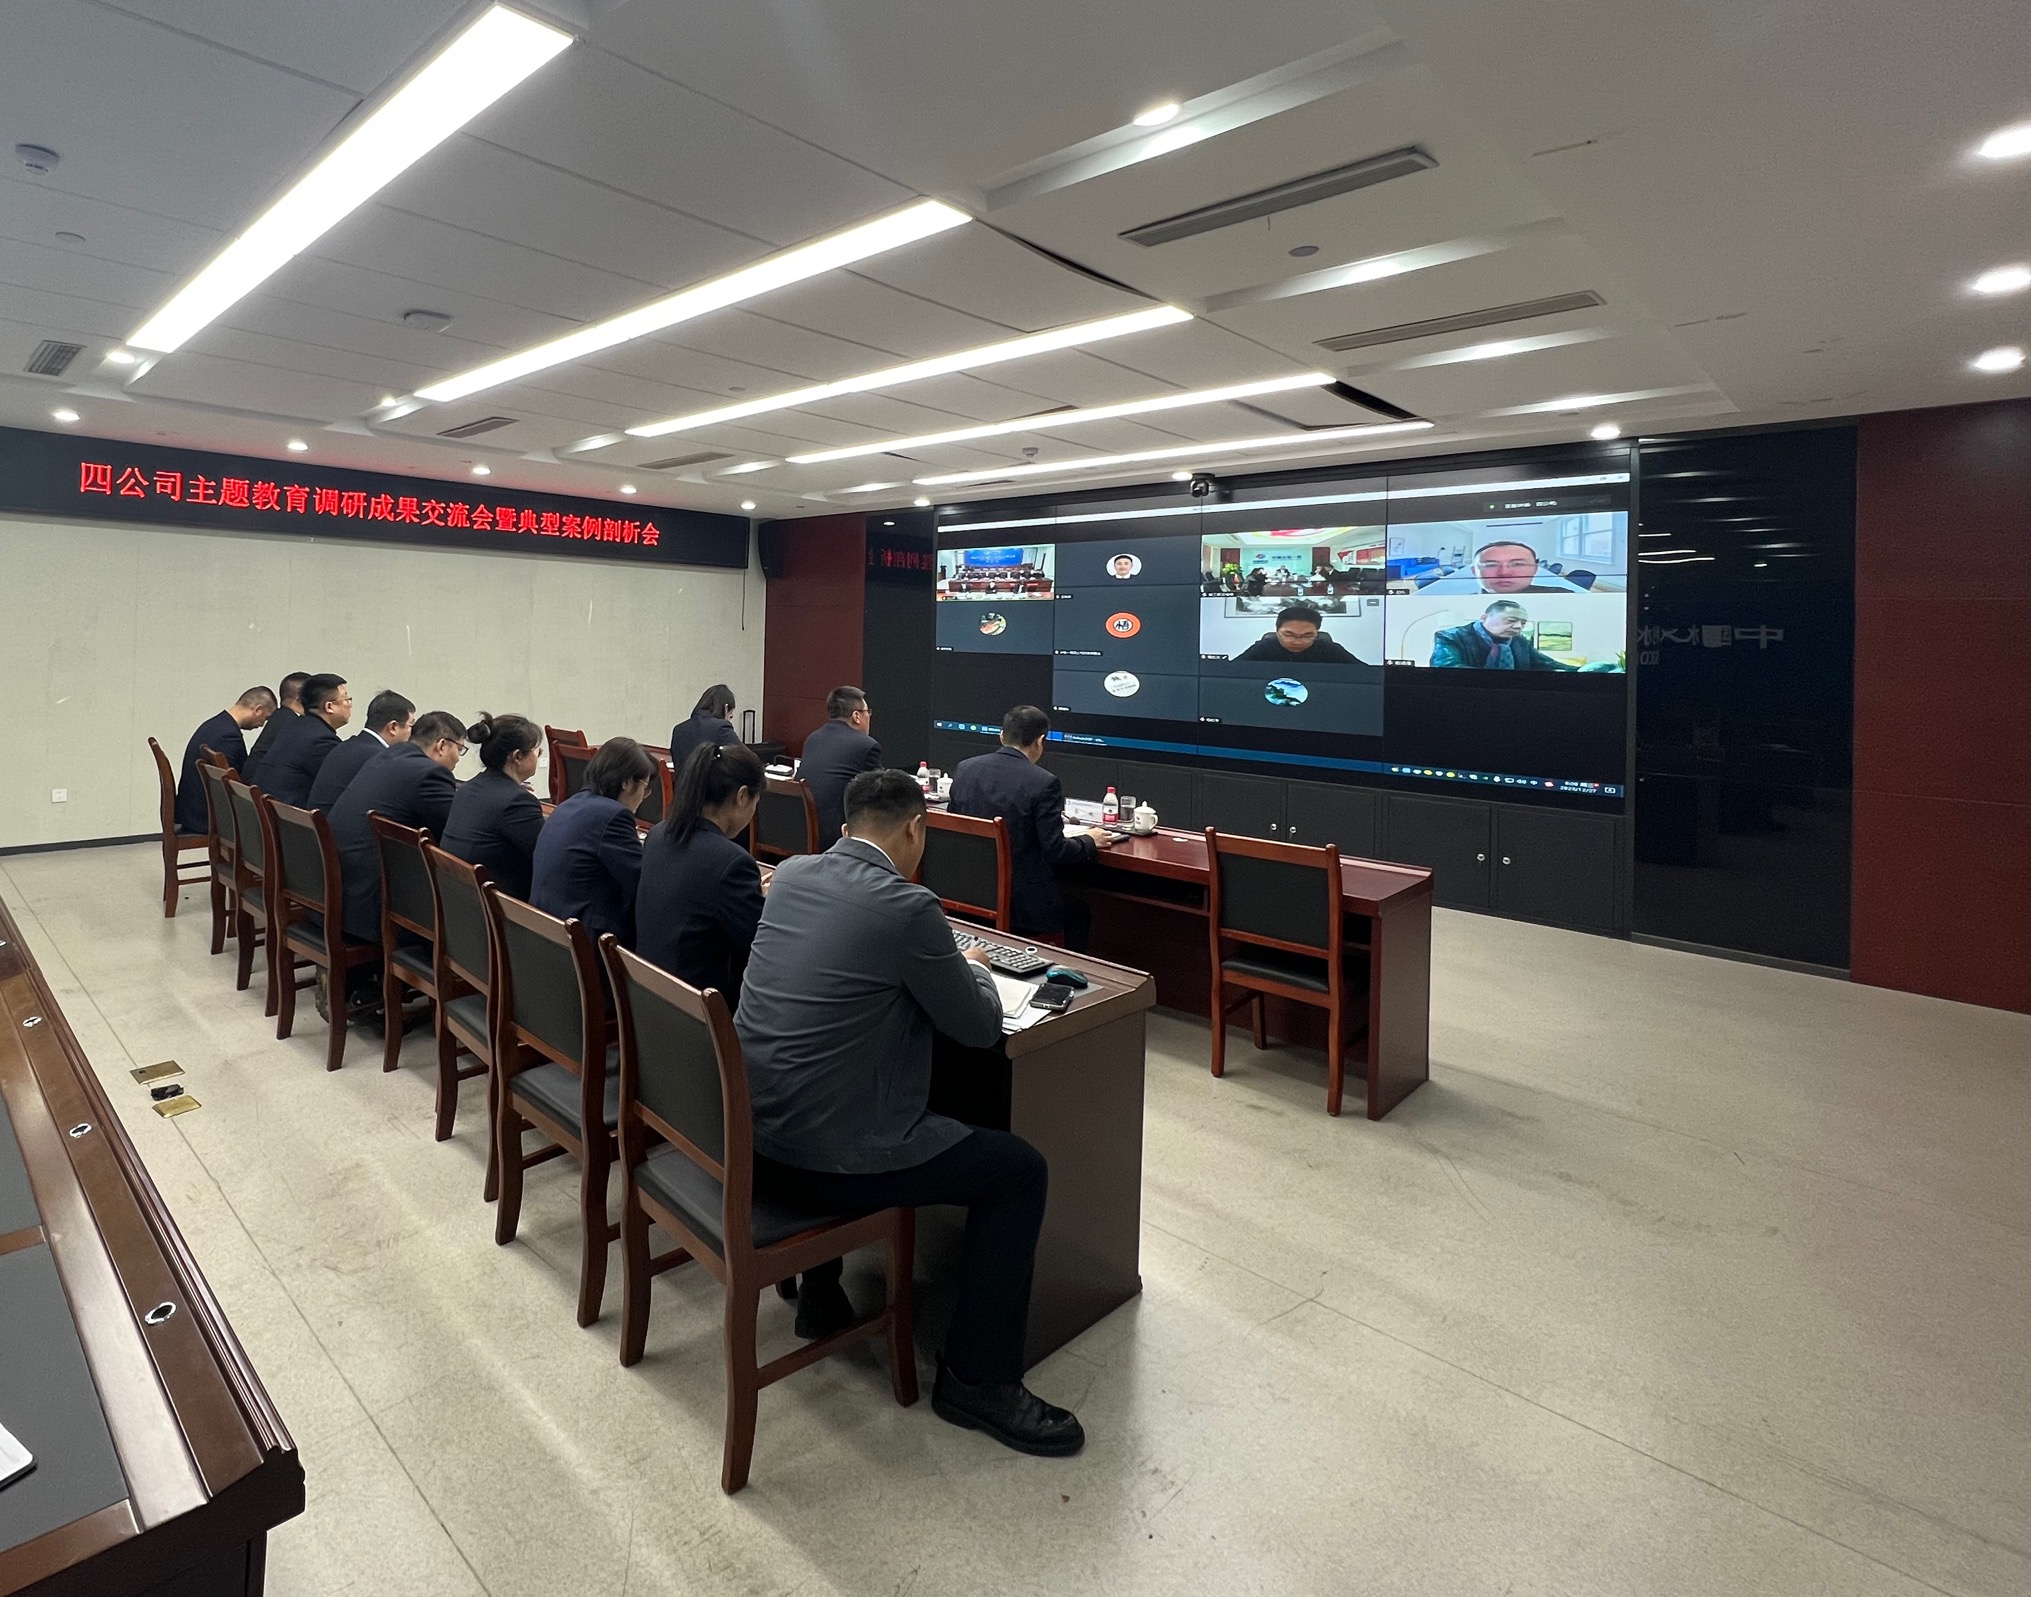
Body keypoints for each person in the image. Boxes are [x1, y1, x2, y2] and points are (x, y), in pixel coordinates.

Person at [736, 769, 1079, 1457]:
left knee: (848, 1072)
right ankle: (978, 1380)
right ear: (916, 829)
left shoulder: (793, 875)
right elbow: (978, 1025)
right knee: (1019, 1171)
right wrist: (973, 964)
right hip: (827, 1160)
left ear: (844, 828)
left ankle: (822, 1293)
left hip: (755, 1134)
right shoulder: (909, 907)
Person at [948, 705, 1111, 947]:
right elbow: (1056, 851)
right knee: (1078, 911)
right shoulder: (1044, 783)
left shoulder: (965, 769)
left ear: (1002, 736)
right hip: (1021, 909)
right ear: (1040, 741)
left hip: (967, 896)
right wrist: (1089, 841)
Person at [635, 742, 765, 1003]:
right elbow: (762, 943)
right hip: (700, 1008)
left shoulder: (659, 835)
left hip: (648, 996)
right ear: (742, 796)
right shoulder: (732, 863)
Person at [328, 711, 466, 947]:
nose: (459, 759)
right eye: (460, 750)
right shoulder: (430, 774)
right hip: (375, 906)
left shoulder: (390, 755)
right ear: (442, 745)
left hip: (343, 892)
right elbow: (456, 832)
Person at [530, 736, 653, 942]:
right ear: (627, 782)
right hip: (585, 938)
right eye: (645, 787)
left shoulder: (568, 805)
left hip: (547, 930)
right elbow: (641, 884)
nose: (643, 796)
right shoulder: (613, 815)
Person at [441, 714, 547, 900]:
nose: (539, 755)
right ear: (518, 756)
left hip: (461, 900)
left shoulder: (469, 788)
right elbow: (548, 855)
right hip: (502, 907)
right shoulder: (517, 802)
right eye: (537, 750)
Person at [173, 686, 277, 834]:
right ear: (257, 709)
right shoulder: (228, 737)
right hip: (205, 819)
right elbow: (238, 785)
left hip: (191, 811)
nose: (262, 725)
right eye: (265, 718)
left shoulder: (215, 725)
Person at [798, 686, 880, 844]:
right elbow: (882, 791)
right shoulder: (866, 745)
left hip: (800, 831)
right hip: (836, 837)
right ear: (856, 716)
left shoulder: (813, 738)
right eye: (867, 712)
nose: (869, 716)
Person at [253, 674, 351, 806]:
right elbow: (340, 787)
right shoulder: (321, 741)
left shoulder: (295, 726)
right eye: (346, 699)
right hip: (288, 815)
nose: (349, 705)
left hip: (267, 809)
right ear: (329, 707)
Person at [308, 690, 415, 810]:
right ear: (393, 727)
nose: (413, 733)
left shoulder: (347, 745)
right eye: (411, 726)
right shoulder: (379, 758)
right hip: (334, 821)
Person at [1429, 600, 1576, 671]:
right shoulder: (1451, 637)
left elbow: (1546, 663)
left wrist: (1581, 671)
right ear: (1484, 618)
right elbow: (1446, 668)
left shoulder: (1519, 641)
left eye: (1523, 623)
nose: (1518, 626)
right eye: (1511, 620)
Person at [1234, 603, 1361, 664]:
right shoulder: (1263, 648)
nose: (1297, 641)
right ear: (1277, 631)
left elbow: (1365, 674)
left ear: (1317, 633)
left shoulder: (1330, 649)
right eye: (1289, 635)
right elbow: (1232, 672)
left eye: (1307, 635)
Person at [241, 671, 309, 782]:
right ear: (301, 698)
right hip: (260, 787)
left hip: (250, 785)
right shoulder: (294, 724)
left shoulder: (280, 716)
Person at [667, 684, 739, 768]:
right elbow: (747, 760)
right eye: (730, 716)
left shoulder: (678, 730)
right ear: (726, 708)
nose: (729, 720)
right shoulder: (721, 727)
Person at [1471, 540, 1566, 594]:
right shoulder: (1463, 602)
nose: (1504, 573)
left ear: (1535, 569)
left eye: (1517, 564)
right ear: (1474, 571)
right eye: (1491, 565)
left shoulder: (1564, 597)